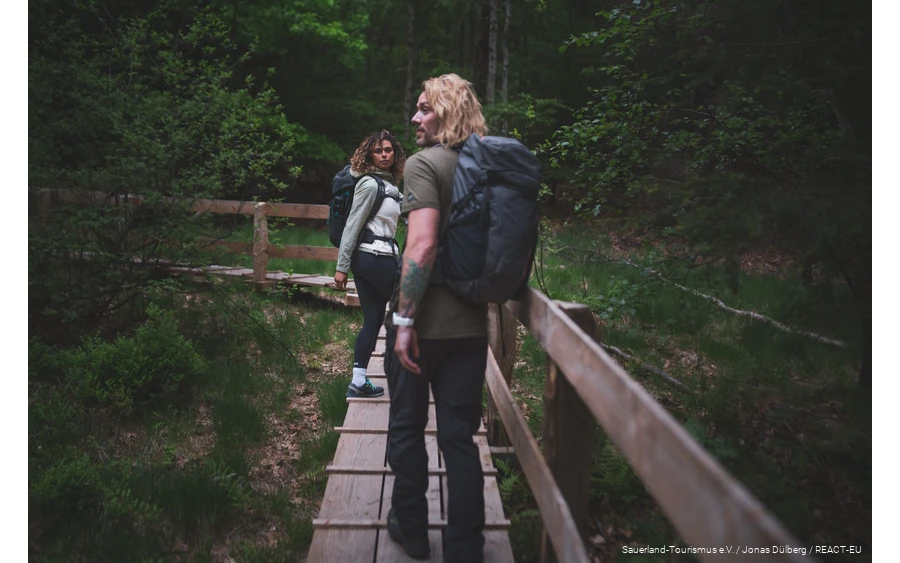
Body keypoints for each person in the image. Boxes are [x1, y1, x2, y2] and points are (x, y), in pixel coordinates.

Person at [383, 74, 489, 562]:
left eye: (424, 108)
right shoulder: (483, 165)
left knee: (407, 428)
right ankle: (465, 547)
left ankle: (414, 530)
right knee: (459, 438)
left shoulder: (424, 165)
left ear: (444, 113)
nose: (414, 118)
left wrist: (405, 322)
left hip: (423, 329)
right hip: (470, 326)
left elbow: (421, 245)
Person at [333, 130, 406, 399]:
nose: (385, 154)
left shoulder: (390, 186)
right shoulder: (370, 184)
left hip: (373, 258)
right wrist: (341, 266)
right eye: (378, 151)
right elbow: (353, 225)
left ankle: (359, 381)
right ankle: (407, 377)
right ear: (369, 155)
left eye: (388, 150)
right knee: (407, 310)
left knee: (374, 318)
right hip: (371, 257)